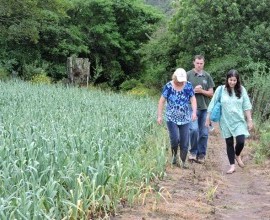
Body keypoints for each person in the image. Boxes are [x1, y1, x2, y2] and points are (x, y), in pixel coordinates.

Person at [205, 69, 253, 174]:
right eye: (230, 80)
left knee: (241, 141)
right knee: (229, 142)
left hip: (239, 120)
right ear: (227, 79)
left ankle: (237, 154)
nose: (232, 82)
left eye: (234, 80)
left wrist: (249, 120)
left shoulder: (241, 89)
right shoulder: (220, 90)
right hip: (225, 120)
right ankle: (232, 166)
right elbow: (212, 103)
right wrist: (208, 117)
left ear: (237, 80)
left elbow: (246, 106)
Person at [157, 68, 197, 168]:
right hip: (171, 117)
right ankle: (174, 156)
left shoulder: (188, 85)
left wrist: (194, 113)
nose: (180, 82)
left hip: (185, 118)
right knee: (174, 139)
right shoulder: (168, 86)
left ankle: (183, 161)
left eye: (182, 80)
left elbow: (193, 100)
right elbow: (161, 101)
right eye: (178, 80)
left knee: (184, 141)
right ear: (174, 77)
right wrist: (159, 116)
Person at [187, 55, 215, 163]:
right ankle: (193, 152)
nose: (199, 65)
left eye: (201, 63)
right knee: (194, 130)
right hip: (191, 107)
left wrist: (202, 91)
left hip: (204, 108)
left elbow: (211, 93)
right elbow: (183, 92)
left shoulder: (207, 76)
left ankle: (201, 154)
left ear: (204, 63)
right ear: (194, 63)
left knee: (204, 133)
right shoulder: (188, 75)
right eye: (197, 63)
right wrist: (193, 90)